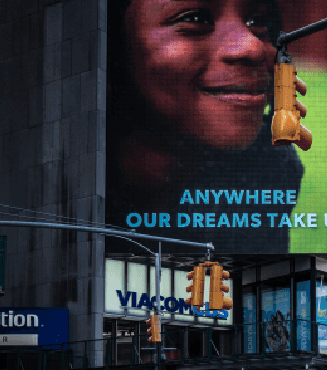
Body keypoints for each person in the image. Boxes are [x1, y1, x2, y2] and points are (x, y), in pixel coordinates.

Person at [106, 0, 303, 253]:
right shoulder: (69, 187)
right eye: (194, 19)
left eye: (258, 22)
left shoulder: (269, 164)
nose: (253, 48)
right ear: (111, 48)